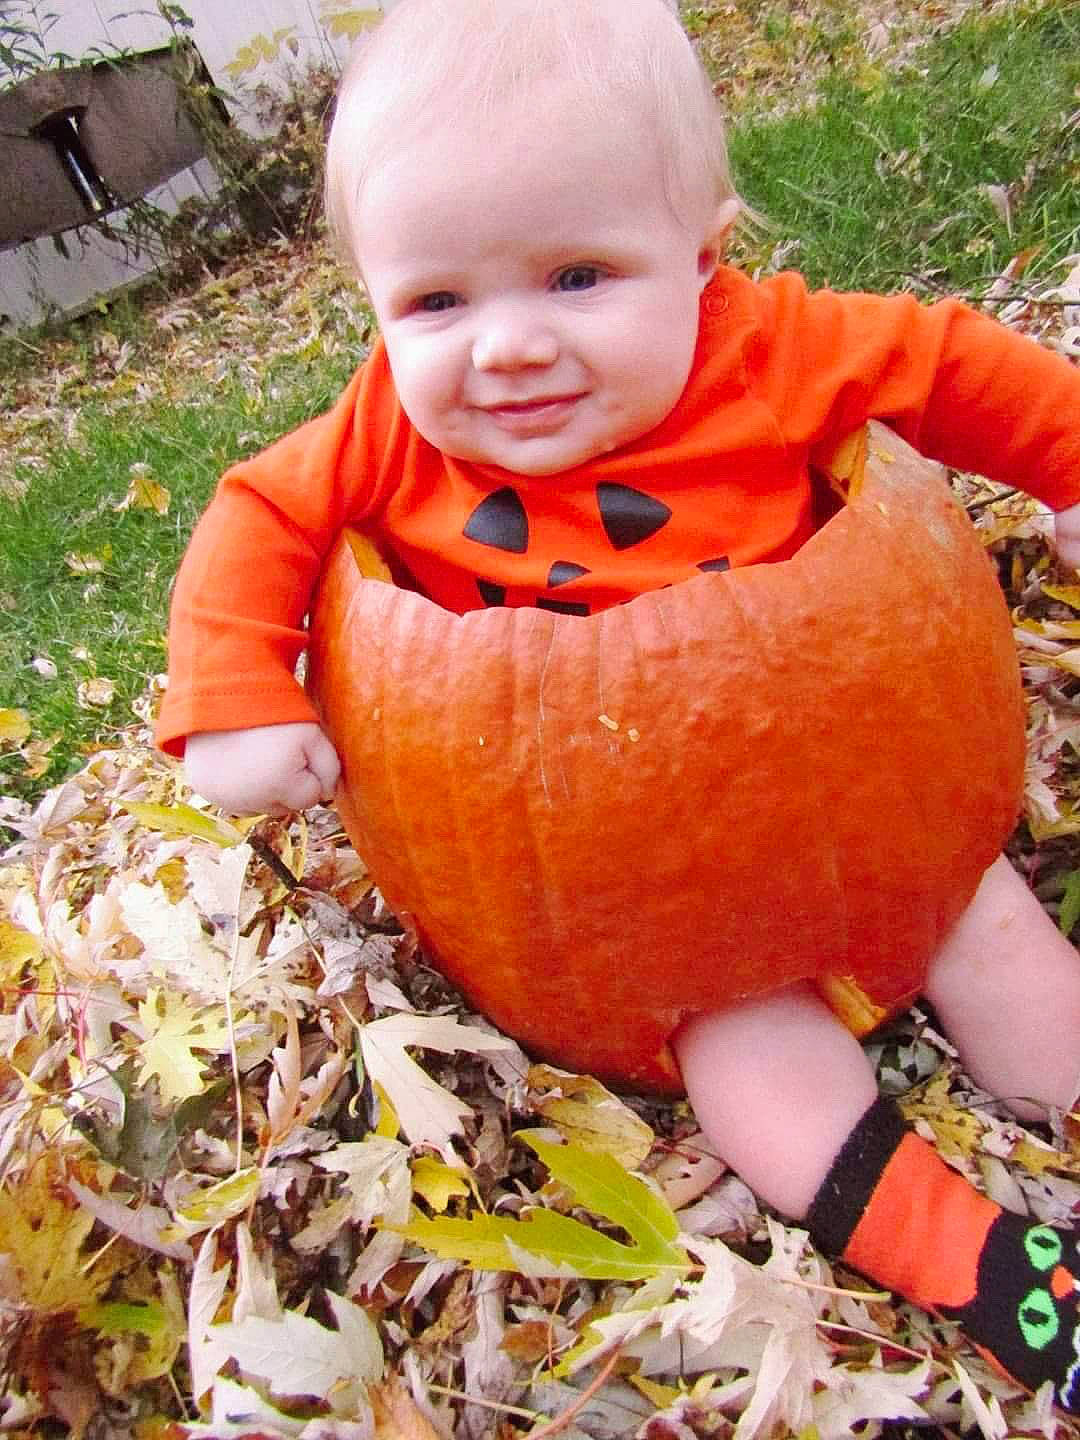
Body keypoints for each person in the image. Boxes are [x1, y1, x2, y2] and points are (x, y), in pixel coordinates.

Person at [158, 0, 1080, 1409]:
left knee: (992, 932)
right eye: (437, 302)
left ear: (703, 257)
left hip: (876, 801)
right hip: (647, 907)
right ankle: (985, 1269)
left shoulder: (767, 349)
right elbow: (257, 513)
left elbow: (955, 365)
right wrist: (231, 692)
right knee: (754, 1065)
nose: (507, 347)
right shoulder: (389, 431)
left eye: (577, 276)